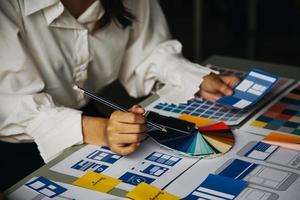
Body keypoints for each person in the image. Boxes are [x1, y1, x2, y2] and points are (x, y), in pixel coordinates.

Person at [0, 0, 239, 190]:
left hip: (90, 118)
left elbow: (148, 50)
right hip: (17, 146)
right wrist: (101, 130)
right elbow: (9, 103)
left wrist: (195, 79)